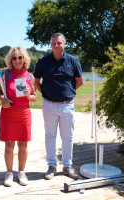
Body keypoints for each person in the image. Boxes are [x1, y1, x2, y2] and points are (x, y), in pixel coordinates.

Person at [34, 33, 83, 180]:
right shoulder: (43, 61)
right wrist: (47, 94)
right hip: (49, 105)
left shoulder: (73, 61)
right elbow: (36, 82)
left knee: (67, 137)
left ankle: (67, 166)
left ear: (65, 44)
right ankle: (51, 166)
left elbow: (79, 81)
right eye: (54, 43)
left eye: (59, 43)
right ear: (50, 45)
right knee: (50, 135)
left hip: (67, 105)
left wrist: (67, 93)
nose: (56, 45)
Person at [0, 47, 37, 187]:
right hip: (8, 113)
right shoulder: (5, 75)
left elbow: (34, 97)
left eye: (20, 57)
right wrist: (3, 100)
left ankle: (21, 172)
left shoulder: (30, 76)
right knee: (9, 145)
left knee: (23, 145)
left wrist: (28, 95)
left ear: (24, 59)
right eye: (14, 58)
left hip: (24, 113)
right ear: (10, 60)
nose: (17, 60)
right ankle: (9, 173)